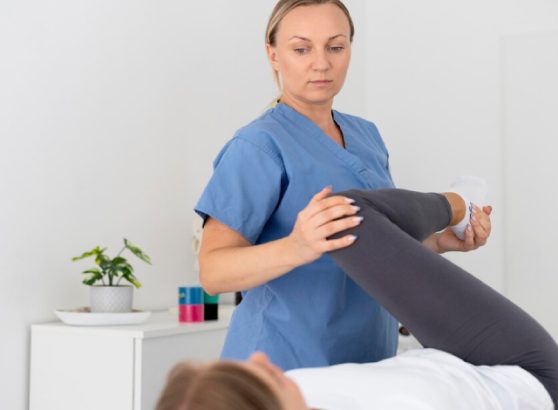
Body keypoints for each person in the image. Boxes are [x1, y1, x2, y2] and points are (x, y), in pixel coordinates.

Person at [194, 0, 493, 371]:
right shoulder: (258, 146)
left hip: (367, 359)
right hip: (281, 364)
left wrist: (438, 243)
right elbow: (213, 272)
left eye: (335, 47)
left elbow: (372, 246)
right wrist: (297, 246)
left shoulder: (367, 137)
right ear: (273, 55)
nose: (321, 63)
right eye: (301, 49)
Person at [158, 188, 557, 410]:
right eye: (260, 376)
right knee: (344, 215)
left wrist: (428, 250)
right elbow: (211, 273)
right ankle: (459, 204)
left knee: (337, 220)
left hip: (442, 357)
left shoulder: (291, 392)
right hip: (523, 372)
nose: (260, 359)